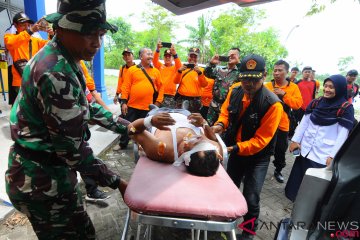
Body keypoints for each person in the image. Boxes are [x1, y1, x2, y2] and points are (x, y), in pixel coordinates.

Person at [5, 1, 128, 239]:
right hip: (41, 184)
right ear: (61, 29)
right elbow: (72, 151)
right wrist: (119, 182)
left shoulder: (66, 58)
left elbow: (85, 106)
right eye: (87, 33)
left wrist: (128, 127)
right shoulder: (55, 71)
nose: (96, 42)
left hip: (50, 176)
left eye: (100, 34)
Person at [212, 54, 283, 239]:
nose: (248, 85)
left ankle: (249, 232)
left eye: (254, 80)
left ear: (264, 76)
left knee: (251, 197)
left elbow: (262, 140)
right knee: (229, 188)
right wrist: (219, 125)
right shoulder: (235, 90)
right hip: (234, 150)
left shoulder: (273, 104)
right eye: (245, 80)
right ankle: (225, 222)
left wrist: (233, 149)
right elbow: (225, 114)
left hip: (257, 156)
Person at [285, 74, 354, 202]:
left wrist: (333, 156)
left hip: (323, 154)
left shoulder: (345, 108)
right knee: (298, 179)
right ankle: (293, 198)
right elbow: (304, 123)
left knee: (313, 185)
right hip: (305, 149)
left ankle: (307, 206)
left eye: (331, 87)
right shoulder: (316, 102)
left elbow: (342, 135)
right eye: (326, 86)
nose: (327, 89)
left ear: (339, 89)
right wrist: (295, 140)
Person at [128, 108, 222, 176]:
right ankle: (183, 108)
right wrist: (203, 123)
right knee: (185, 110)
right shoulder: (212, 150)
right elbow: (214, 139)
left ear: (184, 152)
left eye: (197, 142)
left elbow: (131, 130)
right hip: (185, 115)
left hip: (159, 114)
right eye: (204, 142)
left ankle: (154, 108)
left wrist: (150, 121)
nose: (200, 137)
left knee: (155, 110)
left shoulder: (163, 149)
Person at [264, 60, 303, 183]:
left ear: (287, 72)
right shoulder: (268, 86)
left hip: (283, 124)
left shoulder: (293, 87)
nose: (276, 73)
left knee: (280, 150)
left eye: (280, 70)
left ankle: (278, 169)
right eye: (275, 70)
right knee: (262, 147)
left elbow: (297, 105)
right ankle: (259, 168)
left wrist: (284, 94)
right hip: (267, 123)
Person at [120, 47, 164, 149]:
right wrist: (123, 102)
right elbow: (125, 87)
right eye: (147, 54)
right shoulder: (132, 70)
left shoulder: (156, 72)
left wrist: (158, 102)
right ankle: (123, 144)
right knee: (129, 126)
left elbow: (161, 88)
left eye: (151, 54)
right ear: (141, 56)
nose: (150, 56)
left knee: (145, 128)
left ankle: (143, 146)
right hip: (132, 105)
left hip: (147, 107)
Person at [4, 12, 50, 97]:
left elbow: (49, 45)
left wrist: (51, 34)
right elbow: (11, 43)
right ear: (15, 25)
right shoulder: (10, 37)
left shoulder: (35, 40)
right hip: (20, 81)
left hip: (35, 79)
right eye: (23, 25)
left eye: (27, 25)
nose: (26, 27)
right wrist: (31, 31)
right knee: (23, 107)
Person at [204, 47, 241, 125]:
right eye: (229, 55)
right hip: (214, 105)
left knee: (222, 130)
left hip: (227, 107)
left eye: (233, 55)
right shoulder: (219, 70)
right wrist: (212, 63)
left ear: (238, 57)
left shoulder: (239, 73)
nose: (231, 57)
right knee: (208, 127)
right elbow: (207, 73)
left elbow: (245, 77)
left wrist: (238, 63)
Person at [112, 47, 136, 151]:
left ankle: (134, 138)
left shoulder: (138, 68)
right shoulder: (123, 68)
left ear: (132, 56)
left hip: (135, 98)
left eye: (128, 54)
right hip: (124, 98)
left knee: (134, 120)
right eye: (125, 55)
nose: (127, 57)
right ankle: (123, 142)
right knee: (125, 120)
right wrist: (117, 94)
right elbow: (120, 82)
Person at [174, 47, 208, 113]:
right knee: (180, 120)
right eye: (191, 56)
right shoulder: (182, 68)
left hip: (195, 101)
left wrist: (199, 73)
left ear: (198, 58)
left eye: (195, 57)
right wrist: (179, 71)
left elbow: (204, 85)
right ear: (188, 57)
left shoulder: (202, 70)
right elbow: (175, 82)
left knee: (193, 121)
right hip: (181, 99)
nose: (192, 58)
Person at [153, 41, 182, 108]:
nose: (167, 58)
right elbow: (154, 61)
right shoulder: (160, 66)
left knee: (168, 115)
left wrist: (175, 54)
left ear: (172, 58)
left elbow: (179, 67)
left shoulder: (175, 67)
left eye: (169, 56)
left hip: (170, 96)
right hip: (158, 94)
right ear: (163, 58)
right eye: (166, 56)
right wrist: (158, 49)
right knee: (157, 115)